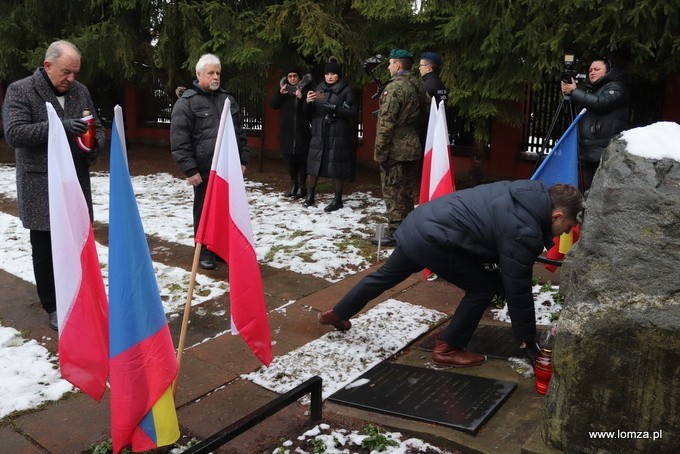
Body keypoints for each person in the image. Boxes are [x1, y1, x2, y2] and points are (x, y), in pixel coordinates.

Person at [319, 180, 583, 367]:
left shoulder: (525, 191)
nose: (565, 234)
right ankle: (448, 348)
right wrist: (527, 340)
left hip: (421, 223)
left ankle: (337, 313)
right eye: (567, 226)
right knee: (482, 288)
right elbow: (518, 287)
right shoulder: (524, 229)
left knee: (386, 275)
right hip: (435, 238)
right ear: (557, 215)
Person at [2, 40, 105, 331]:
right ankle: (53, 305)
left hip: (74, 180)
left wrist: (95, 141)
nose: (71, 79)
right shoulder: (20, 90)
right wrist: (60, 126)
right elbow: (14, 132)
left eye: (75, 72)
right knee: (45, 247)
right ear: (48, 66)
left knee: (77, 242)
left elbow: (94, 123)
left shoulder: (80, 90)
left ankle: (79, 296)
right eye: (66, 72)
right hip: (41, 183)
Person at [170, 53, 250, 270]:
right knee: (205, 212)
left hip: (228, 169)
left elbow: (239, 132)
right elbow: (179, 140)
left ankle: (219, 249)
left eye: (218, 73)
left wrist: (243, 160)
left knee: (224, 210)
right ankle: (204, 250)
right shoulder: (186, 103)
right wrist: (189, 169)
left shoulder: (227, 99)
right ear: (198, 74)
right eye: (211, 73)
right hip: (204, 170)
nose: (215, 77)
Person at [372, 49, 430, 245]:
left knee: (393, 190)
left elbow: (385, 123)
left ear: (398, 65)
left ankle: (396, 232)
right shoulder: (418, 86)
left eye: (390, 63)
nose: (388, 67)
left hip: (395, 149)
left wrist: (380, 152)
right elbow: (424, 116)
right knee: (406, 191)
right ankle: (409, 228)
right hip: (413, 146)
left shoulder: (395, 88)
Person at [561, 56, 630, 190]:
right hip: (592, 151)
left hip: (604, 150)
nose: (592, 72)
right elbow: (576, 115)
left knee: (599, 191)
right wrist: (569, 96)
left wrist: (575, 92)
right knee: (591, 189)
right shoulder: (593, 90)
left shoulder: (617, 87)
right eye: (590, 69)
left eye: (597, 69)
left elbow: (601, 103)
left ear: (608, 72)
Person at [302, 60, 358, 212]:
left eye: (333, 73)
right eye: (327, 74)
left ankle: (338, 199)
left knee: (336, 165)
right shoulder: (320, 90)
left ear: (338, 75)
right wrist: (307, 102)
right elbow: (310, 112)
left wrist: (336, 110)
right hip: (319, 131)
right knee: (314, 164)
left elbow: (353, 112)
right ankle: (310, 196)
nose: (330, 76)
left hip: (338, 132)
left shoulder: (346, 90)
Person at [270, 65, 313, 199]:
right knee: (291, 160)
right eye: (290, 76)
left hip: (302, 131)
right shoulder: (284, 91)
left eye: (295, 76)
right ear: (287, 78)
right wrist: (280, 93)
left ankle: (302, 187)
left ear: (299, 77)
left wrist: (301, 98)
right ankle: (293, 186)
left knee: (301, 160)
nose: (293, 79)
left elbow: (310, 111)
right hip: (287, 132)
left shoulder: (306, 90)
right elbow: (273, 104)